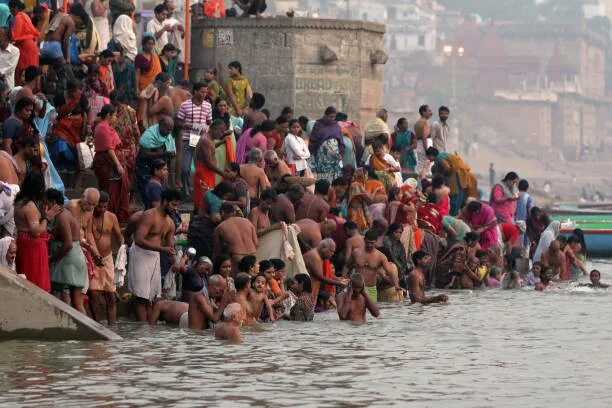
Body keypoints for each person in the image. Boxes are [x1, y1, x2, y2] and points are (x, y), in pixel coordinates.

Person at [129, 189, 180, 321]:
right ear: (164, 201)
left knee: (152, 297)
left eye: (177, 205)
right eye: (173, 205)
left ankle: (148, 331)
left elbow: (170, 248)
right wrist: (162, 249)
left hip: (155, 257)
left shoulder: (170, 223)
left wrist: (177, 263)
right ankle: (142, 328)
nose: (176, 208)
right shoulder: (149, 215)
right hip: (140, 254)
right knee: (141, 296)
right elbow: (139, 240)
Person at [14, 172, 62, 291]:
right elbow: (36, 231)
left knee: (25, 275)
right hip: (32, 245)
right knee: (35, 281)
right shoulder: (30, 206)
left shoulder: (19, 201)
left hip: (22, 240)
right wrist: (47, 217)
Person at [45, 188, 87, 313]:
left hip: (69, 259)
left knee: (75, 301)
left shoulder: (62, 217)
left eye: (46, 202)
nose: (44, 205)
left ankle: (84, 329)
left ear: (52, 202)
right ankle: (83, 329)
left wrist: (52, 259)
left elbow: (68, 244)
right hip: (74, 257)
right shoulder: (65, 213)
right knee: (76, 301)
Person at [89, 191, 123, 324]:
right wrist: (95, 254)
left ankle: (112, 327)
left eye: (105, 207)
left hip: (107, 258)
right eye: (99, 207)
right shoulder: (88, 217)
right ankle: (97, 325)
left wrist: (122, 244)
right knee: (93, 293)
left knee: (111, 295)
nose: (102, 210)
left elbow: (118, 235)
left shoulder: (112, 217)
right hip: (92, 258)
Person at [92, 105, 130, 222]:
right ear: (109, 115)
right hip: (107, 163)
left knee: (116, 191)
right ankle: (110, 217)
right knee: (111, 192)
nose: (115, 118)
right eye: (114, 115)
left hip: (109, 162)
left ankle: (115, 217)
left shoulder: (104, 126)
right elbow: (109, 148)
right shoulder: (103, 127)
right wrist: (118, 165)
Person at [176, 82, 212, 197]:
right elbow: (178, 121)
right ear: (195, 91)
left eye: (205, 92)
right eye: (202, 92)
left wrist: (206, 129)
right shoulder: (185, 105)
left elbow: (209, 122)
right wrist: (186, 125)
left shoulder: (208, 105)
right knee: (185, 168)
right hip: (188, 138)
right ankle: (186, 191)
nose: (204, 94)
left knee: (201, 168)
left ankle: (200, 191)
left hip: (202, 140)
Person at [345, 229, 399, 303]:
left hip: (371, 289)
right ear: (364, 240)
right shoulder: (356, 252)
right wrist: (344, 277)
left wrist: (396, 285)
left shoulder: (381, 256)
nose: (369, 245)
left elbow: (390, 272)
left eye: (372, 243)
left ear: (376, 241)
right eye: (367, 242)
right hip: (356, 289)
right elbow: (347, 266)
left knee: (371, 313)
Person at [426, 147, 478, 216]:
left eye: (428, 157)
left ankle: (452, 214)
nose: (428, 159)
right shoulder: (442, 155)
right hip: (460, 176)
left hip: (456, 177)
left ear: (431, 155)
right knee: (457, 197)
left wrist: (441, 176)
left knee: (454, 198)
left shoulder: (439, 159)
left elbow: (447, 168)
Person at [192, 119, 228, 209]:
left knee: (207, 198)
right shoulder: (206, 140)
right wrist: (223, 174)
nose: (222, 134)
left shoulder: (209, 139)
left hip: (208, 173)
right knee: (203, 200)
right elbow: (208, 162)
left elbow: (211, 149)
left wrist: (222, 142)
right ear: (214, 129)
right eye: (221, 131)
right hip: (204, 173)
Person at [213, 202, 258, 270]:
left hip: (238, 257)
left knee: (238, 279)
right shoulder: (248, 222)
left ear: (222, 212)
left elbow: (217, 252)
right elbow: (256, 244)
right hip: (253, 256)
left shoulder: (220, 227)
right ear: (234, 212)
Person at [40, 5, 78, 83]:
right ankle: (72, 84)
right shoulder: (69, 21)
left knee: (60, 68)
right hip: (53, 46)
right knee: (65, 68)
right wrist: (67, 58)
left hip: (44, 45)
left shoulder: (58, 16)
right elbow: (65, 41)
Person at [309, 106, 344, 182]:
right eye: (330, 117)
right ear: (325, 115)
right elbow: (313, 141)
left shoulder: (336, 126)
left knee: (334, 178)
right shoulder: (318, 125)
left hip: (334, 159)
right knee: (323, 178)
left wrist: (341, 152)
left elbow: (341, 141)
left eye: (334, 117)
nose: (332, 119)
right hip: (322, 159)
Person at [8, 0, 39, 86]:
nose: (11, 12)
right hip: (30, 46)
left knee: (22, 71)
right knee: (31, 71)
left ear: (16, 8)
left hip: (25, 47)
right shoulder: (25, 16)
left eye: (11, 9)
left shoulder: (18, 17)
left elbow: (14, 36)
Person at [414, 104, 432, 176]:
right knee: (427, 166)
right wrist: (427, 150)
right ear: (423, 112)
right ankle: (424, 184)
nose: (431, 113)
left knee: (421, 165)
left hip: (420, 145)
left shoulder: (417, 123)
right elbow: (424, 137)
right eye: (429, 111)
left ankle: (420, 183)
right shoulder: (424, 122)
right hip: (425, 146)